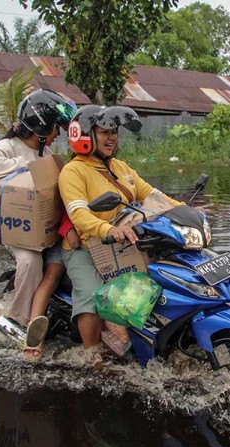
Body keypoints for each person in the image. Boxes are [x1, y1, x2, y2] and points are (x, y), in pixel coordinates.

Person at [58, 105, 183, 348]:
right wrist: (109, 230)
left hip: (123, 243)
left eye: (114, 131)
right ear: (85, 134)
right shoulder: (73, 171)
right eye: (105, 131)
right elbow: (79, 215)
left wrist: (186, 209)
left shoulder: (120, 167)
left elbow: (152, 195)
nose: (112, 137)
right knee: (91, 295)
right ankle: (91, 354)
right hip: (86, 247)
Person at [0, 88, 76, 361]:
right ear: (43, 129)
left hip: (49, 229)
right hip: (19, 232)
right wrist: (26, 167)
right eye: (56, 128)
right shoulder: (9, 148)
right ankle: (18, 320)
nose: (58, 134)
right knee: (31, 262)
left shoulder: (46, 151)